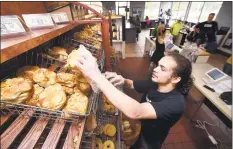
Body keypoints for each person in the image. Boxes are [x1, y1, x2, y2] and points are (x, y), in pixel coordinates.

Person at [75, 48, 193, 149]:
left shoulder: (176, 103)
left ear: (176, 79)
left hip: (148, 142)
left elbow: (136, 111)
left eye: (163, 69)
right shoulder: (156, 83)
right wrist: (122, 80)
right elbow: (132, 84)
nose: (155, 69)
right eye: (158, 65)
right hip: (137, 130)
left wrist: (95, 75)